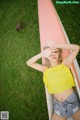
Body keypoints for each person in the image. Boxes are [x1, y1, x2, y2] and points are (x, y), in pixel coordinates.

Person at [26, 41, 80, 120]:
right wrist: (42, 53)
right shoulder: (45, 69)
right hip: (59, 106)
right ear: (46, 56)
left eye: (55, 51)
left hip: (72, 103)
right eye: (50, 53)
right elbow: (29, 63)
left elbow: (77, 48)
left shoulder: (65, 64)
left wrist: (56, 45)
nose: (53, 54)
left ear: (59, 54)